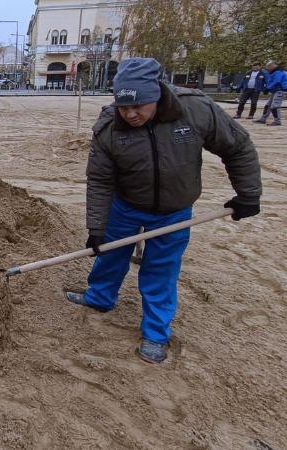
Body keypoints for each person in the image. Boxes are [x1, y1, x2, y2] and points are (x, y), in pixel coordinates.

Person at [65, 58, 262, 364]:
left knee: (160, 270)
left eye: (139, 106)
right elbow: (100, 180)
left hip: (174, 210)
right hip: (125, 205)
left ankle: (156, 333)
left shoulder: (195, 109)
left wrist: (248, 194)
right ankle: (99, 298)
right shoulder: (108, 127)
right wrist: (96, 228)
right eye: (123, 106)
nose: (130, 114)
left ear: (156, 93)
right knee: (109, 254)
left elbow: (237, 147)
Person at [253, 61, 286, 126]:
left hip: (280, 90)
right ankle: (263, 119)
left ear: (272, 66)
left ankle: (277, 121)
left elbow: (277, 81)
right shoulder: (276, 71)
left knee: (275, 106)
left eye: (268, 67)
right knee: (268, 106)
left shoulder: (279, 72)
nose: (268, 68)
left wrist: (267, 88)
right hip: (276, 91)